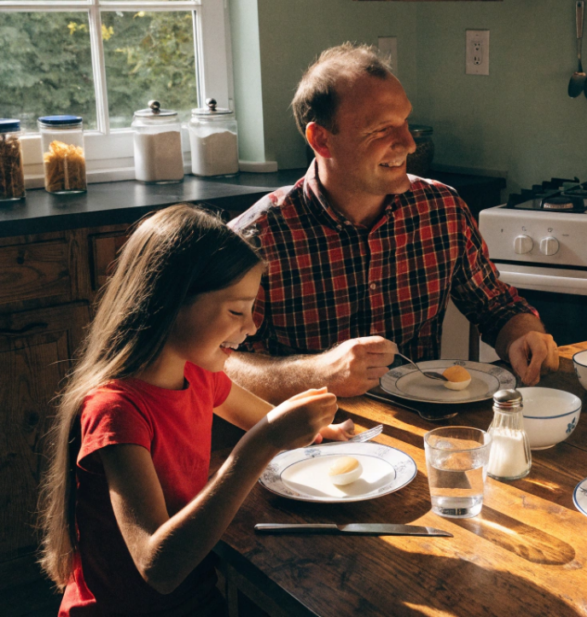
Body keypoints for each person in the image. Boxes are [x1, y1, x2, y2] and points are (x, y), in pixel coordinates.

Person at [37, 205, 355, 616]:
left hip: (197, 598)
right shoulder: (116, 410)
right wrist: (257, 449)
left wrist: (317, 432)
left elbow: (264, 420)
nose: (252, 327)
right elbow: (159, 567)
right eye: (236, 310)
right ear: (169, 302)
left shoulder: (198, 374)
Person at [227, 43, 558, 403]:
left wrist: (523, 334)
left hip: (422, 431)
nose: (409, 143)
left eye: (405, 122)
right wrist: (316, 374)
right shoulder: (255, 238)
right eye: (382, 129)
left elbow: (496, 307)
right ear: (321, 140)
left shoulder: (442, 209)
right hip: (313, 445)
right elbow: (215, 365)